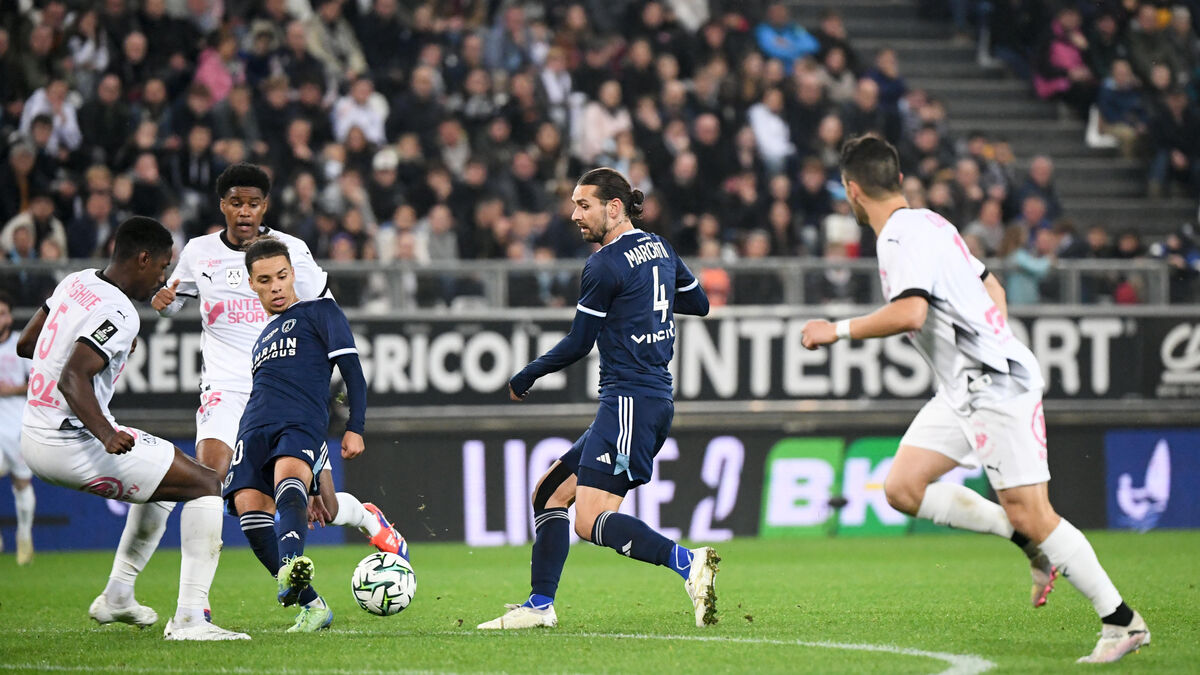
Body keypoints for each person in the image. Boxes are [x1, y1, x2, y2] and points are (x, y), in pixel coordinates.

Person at [801, 136, 1149, 664]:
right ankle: (1026, 541)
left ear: (852, 190)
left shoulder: (897, 238)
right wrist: (986, 340)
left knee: (1036, 513)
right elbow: (993, 289)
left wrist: (837, 330)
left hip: (993, 384)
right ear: (897, 179)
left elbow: (911, 313)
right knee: (903, 487)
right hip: (964, 386)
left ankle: (1121, 622)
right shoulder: (933, 223)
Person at [149, 164, 405, 626]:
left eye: (253, 203)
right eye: (235, 202)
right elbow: (176, 298)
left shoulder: (294, 254)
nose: (244, 211)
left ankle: (365, 520)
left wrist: (345, 414)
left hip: (291, 395)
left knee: (319, 504)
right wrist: (163, 303)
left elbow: (326, 317)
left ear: (265, 205)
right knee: (214, 486)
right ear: (221, 204)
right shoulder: (199, 253)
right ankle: (195, 609)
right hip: (230, 391)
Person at [478, 168, 717, 631]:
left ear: (614, 207)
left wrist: (527, 374)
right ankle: (539, 605)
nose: (574, 215)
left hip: (630, 399)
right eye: (573, 205)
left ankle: (689, 562)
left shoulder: (604, 264)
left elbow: (578, 342)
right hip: (644, 399)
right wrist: (648, 299)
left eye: (583, 205)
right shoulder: (661, 248)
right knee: (548, 493)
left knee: (590, 521)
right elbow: (700, 303)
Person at [16, 217, 249, 641]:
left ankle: (118, 596)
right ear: (143, 259)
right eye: (162, 267)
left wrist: (99, 345)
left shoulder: (77, 281)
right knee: (205, 484)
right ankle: (191, 620)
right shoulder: (121, 312)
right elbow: (73, 379)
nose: (162, 278)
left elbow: (27, 343)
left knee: (170, 480)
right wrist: (106, 431)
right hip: (68, 439)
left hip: (33, 431)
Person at [223, 236, 369, 632]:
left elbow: (353, 374)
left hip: (299, 421)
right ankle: (313, 604)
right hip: (253, 426)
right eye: (265, 279)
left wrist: (355, 427)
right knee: (251, 515)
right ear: (252, 284)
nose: (276, 286)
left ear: (293, 275)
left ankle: (290, 566)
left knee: (288, 478)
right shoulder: (261, 337)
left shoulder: (322, 311)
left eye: (282, 276)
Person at [0, 291, 35, 565]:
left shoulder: (18, 344)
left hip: (17, 424)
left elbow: (37, 381)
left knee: (22, 482)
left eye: (3, 313)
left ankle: (24, 536)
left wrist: (12, 389)